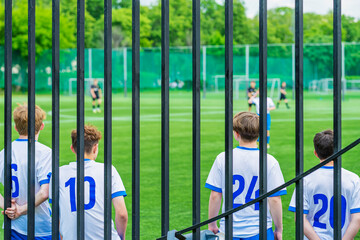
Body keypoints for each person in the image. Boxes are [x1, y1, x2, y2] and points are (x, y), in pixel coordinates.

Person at [206, 112, 286, 240]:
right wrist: (278, 229)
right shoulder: (269, 161)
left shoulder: (223, 158)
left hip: (229, 229)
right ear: (260, 135)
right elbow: (275, 199)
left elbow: (215, 195)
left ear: (236, 134)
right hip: (260, 229)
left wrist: (212, 224)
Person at [50, 125, 128, 240]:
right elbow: (122, 214)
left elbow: (58, 215)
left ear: (72, 148)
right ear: (95, 148)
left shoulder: (58, 174)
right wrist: (121, 238)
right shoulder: (107, 170)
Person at [288, 130, 360, 240]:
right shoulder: (353, 179)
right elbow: (357, 218)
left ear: (315, 153)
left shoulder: (305, 180)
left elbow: (300, 218)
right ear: (338, 150)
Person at [0, 104, 52, 239]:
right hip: (40, 227)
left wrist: (8, 207)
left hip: (13, 226)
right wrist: (21, 210)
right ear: (42, 126)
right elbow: (45, 192)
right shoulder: (44, 152)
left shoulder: (4, 153)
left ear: (16, 127)